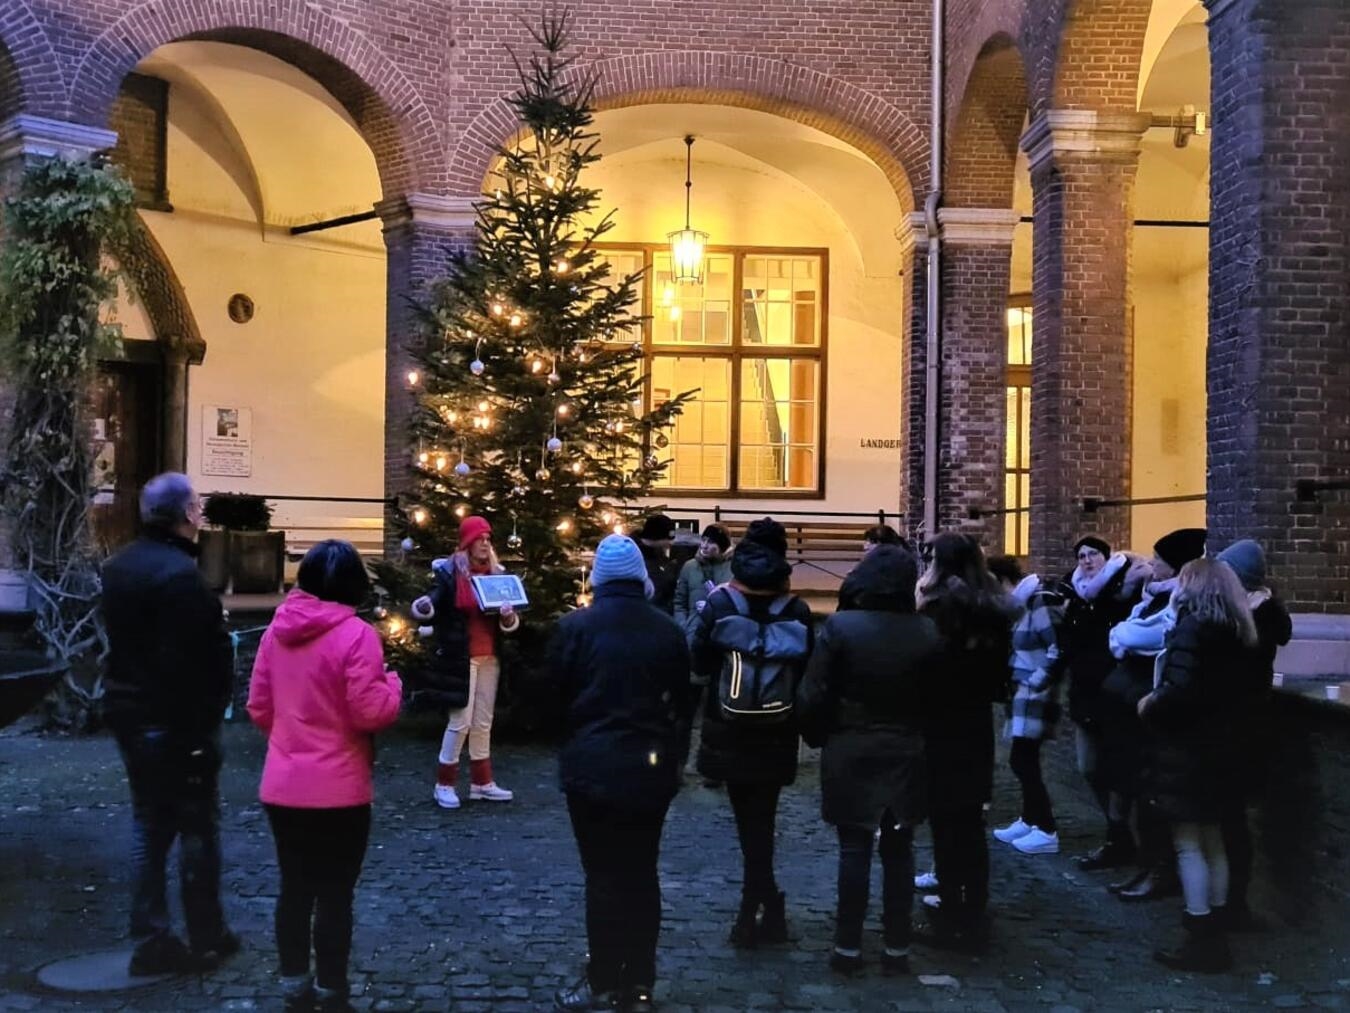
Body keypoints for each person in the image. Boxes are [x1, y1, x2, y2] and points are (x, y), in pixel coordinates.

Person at [247, 541, 403, 1013]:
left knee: (294, 889)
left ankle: (294, 984)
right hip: (341, 790)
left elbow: (258, 705)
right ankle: (332, 990)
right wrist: (395, 685)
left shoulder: (276, 632)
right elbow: (370, 711)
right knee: (335, 895)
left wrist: (291, 742)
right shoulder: (357, 635)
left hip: (283, 785)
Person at [100, 473, 238, 975]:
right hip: (176, 723)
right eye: (197, 507)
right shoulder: (182, 578)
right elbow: (194, 662)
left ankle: (152, 932)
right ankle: (205, 935)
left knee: (148, 825)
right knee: (197, 827)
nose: (200, 515)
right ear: (185, 515)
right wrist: (202, 727)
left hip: (130, 713)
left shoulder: (118, 568)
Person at [550, 535, 691, 1013]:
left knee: (603, 875)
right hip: (648, 767)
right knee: (641, 872)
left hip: (591, 766)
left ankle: (604, 978)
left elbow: (553, 698)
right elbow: (682, 703)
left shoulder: (574, 629)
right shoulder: (667, 631)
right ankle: (641, 981)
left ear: (598, 578)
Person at [796, 546, 941, 974]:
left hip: (851, 744)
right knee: (899, 851)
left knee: (854, 847)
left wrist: (817, 734)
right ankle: (897, 946)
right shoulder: (927, 632)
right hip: (906, 746)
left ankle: (847, 946)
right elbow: (939, 701)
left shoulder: (842, 626)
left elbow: (813, 692)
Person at [691, 517, 812, 948]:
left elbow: (700, 662)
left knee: (749, 821)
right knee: (763, 818)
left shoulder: (722, 603)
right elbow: (806, 671)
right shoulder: (795, 609)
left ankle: (755, 908)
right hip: (778, 729)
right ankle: (766, 906)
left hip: (731, 727)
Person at [1139, 558, 1259, 972]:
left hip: (1188, 749)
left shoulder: (1193, 628)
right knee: (1214, 840)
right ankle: (1218, 926)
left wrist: (1150, 703)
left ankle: (1201, 931)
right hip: (1224, 747)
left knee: (1189, 842)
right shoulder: (1239, 630)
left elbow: (1178, 690)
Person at [915, 533, 1016, 950]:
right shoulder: (992, 608)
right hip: (974, 722)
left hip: (940, 720)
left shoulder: (940, 609)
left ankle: (952, 904)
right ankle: (972, 904)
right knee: (970, 819)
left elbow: (925, 665)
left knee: (944, 815)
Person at [1098, 528, 1205, 903]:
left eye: (1160, 558)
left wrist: (1124, 638)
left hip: (1149, 711)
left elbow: (1140, 638)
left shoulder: (1179, 603)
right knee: (1128, 785)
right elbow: (1123, 634)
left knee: (1151, 798)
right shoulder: (1151, 597)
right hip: (1130, 702)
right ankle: (1144, 863)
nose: (1153, 564)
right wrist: (1124, 636)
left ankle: (1158, 870)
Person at [411, 516, 520, 809]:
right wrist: (424, 607)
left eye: (488, 539)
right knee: (460, 722)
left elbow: (507, 620)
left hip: (489, 656)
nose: (485, 543)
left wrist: (509, 618)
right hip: (461, 657)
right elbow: (434, 603)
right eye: (479, 539)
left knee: (483, 721)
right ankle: (444, 783)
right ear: (468, 543)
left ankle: (482, 783)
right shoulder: (450, 576)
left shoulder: (497, 575)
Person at [1215, 538, 1292, 929]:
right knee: (1228, 819)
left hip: (1240, 727)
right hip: (1238, 723)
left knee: (1231, 819)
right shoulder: (1250, 612)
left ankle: (1234, 902)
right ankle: (1228, 899)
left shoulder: (1256, 617)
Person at [1059, 535, 1147, 871]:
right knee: (1089, 766)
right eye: (1080, 555)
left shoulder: (1123, 594)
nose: (1086, 560)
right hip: (1084, 693)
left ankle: (1119, 837)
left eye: (1093, 553)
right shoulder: (1076, 596)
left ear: (1106, 558)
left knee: (1118, 769)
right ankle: (1117, 831)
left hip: (1113, 694)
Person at [987, 555, 1068, 856]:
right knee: (1022, 758)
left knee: (1023, 759)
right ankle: (1031, 818)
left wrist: (1039, 679)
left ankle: (1046, 828)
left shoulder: (1040, 602)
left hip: (1035, 690)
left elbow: (1057, 645)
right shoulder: (1022, 605)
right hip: (1024, 688)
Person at [672, 523, 734, 780]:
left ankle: (713, 768)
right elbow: (679, 599)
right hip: (692, 638)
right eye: (704, 541)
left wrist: (713, 606)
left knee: (717, 710)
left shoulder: (731, 568)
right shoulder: (690, 567)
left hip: (720, 642)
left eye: (712, 543)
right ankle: (678, 764)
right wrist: (683, 624)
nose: (706, 546)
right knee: (685, 708)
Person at [636, 514, 681, 615]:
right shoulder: (633, 557)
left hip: (662, 616)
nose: (671, 543)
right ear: (656, 537)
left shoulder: (661, 557)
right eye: (668, 539)